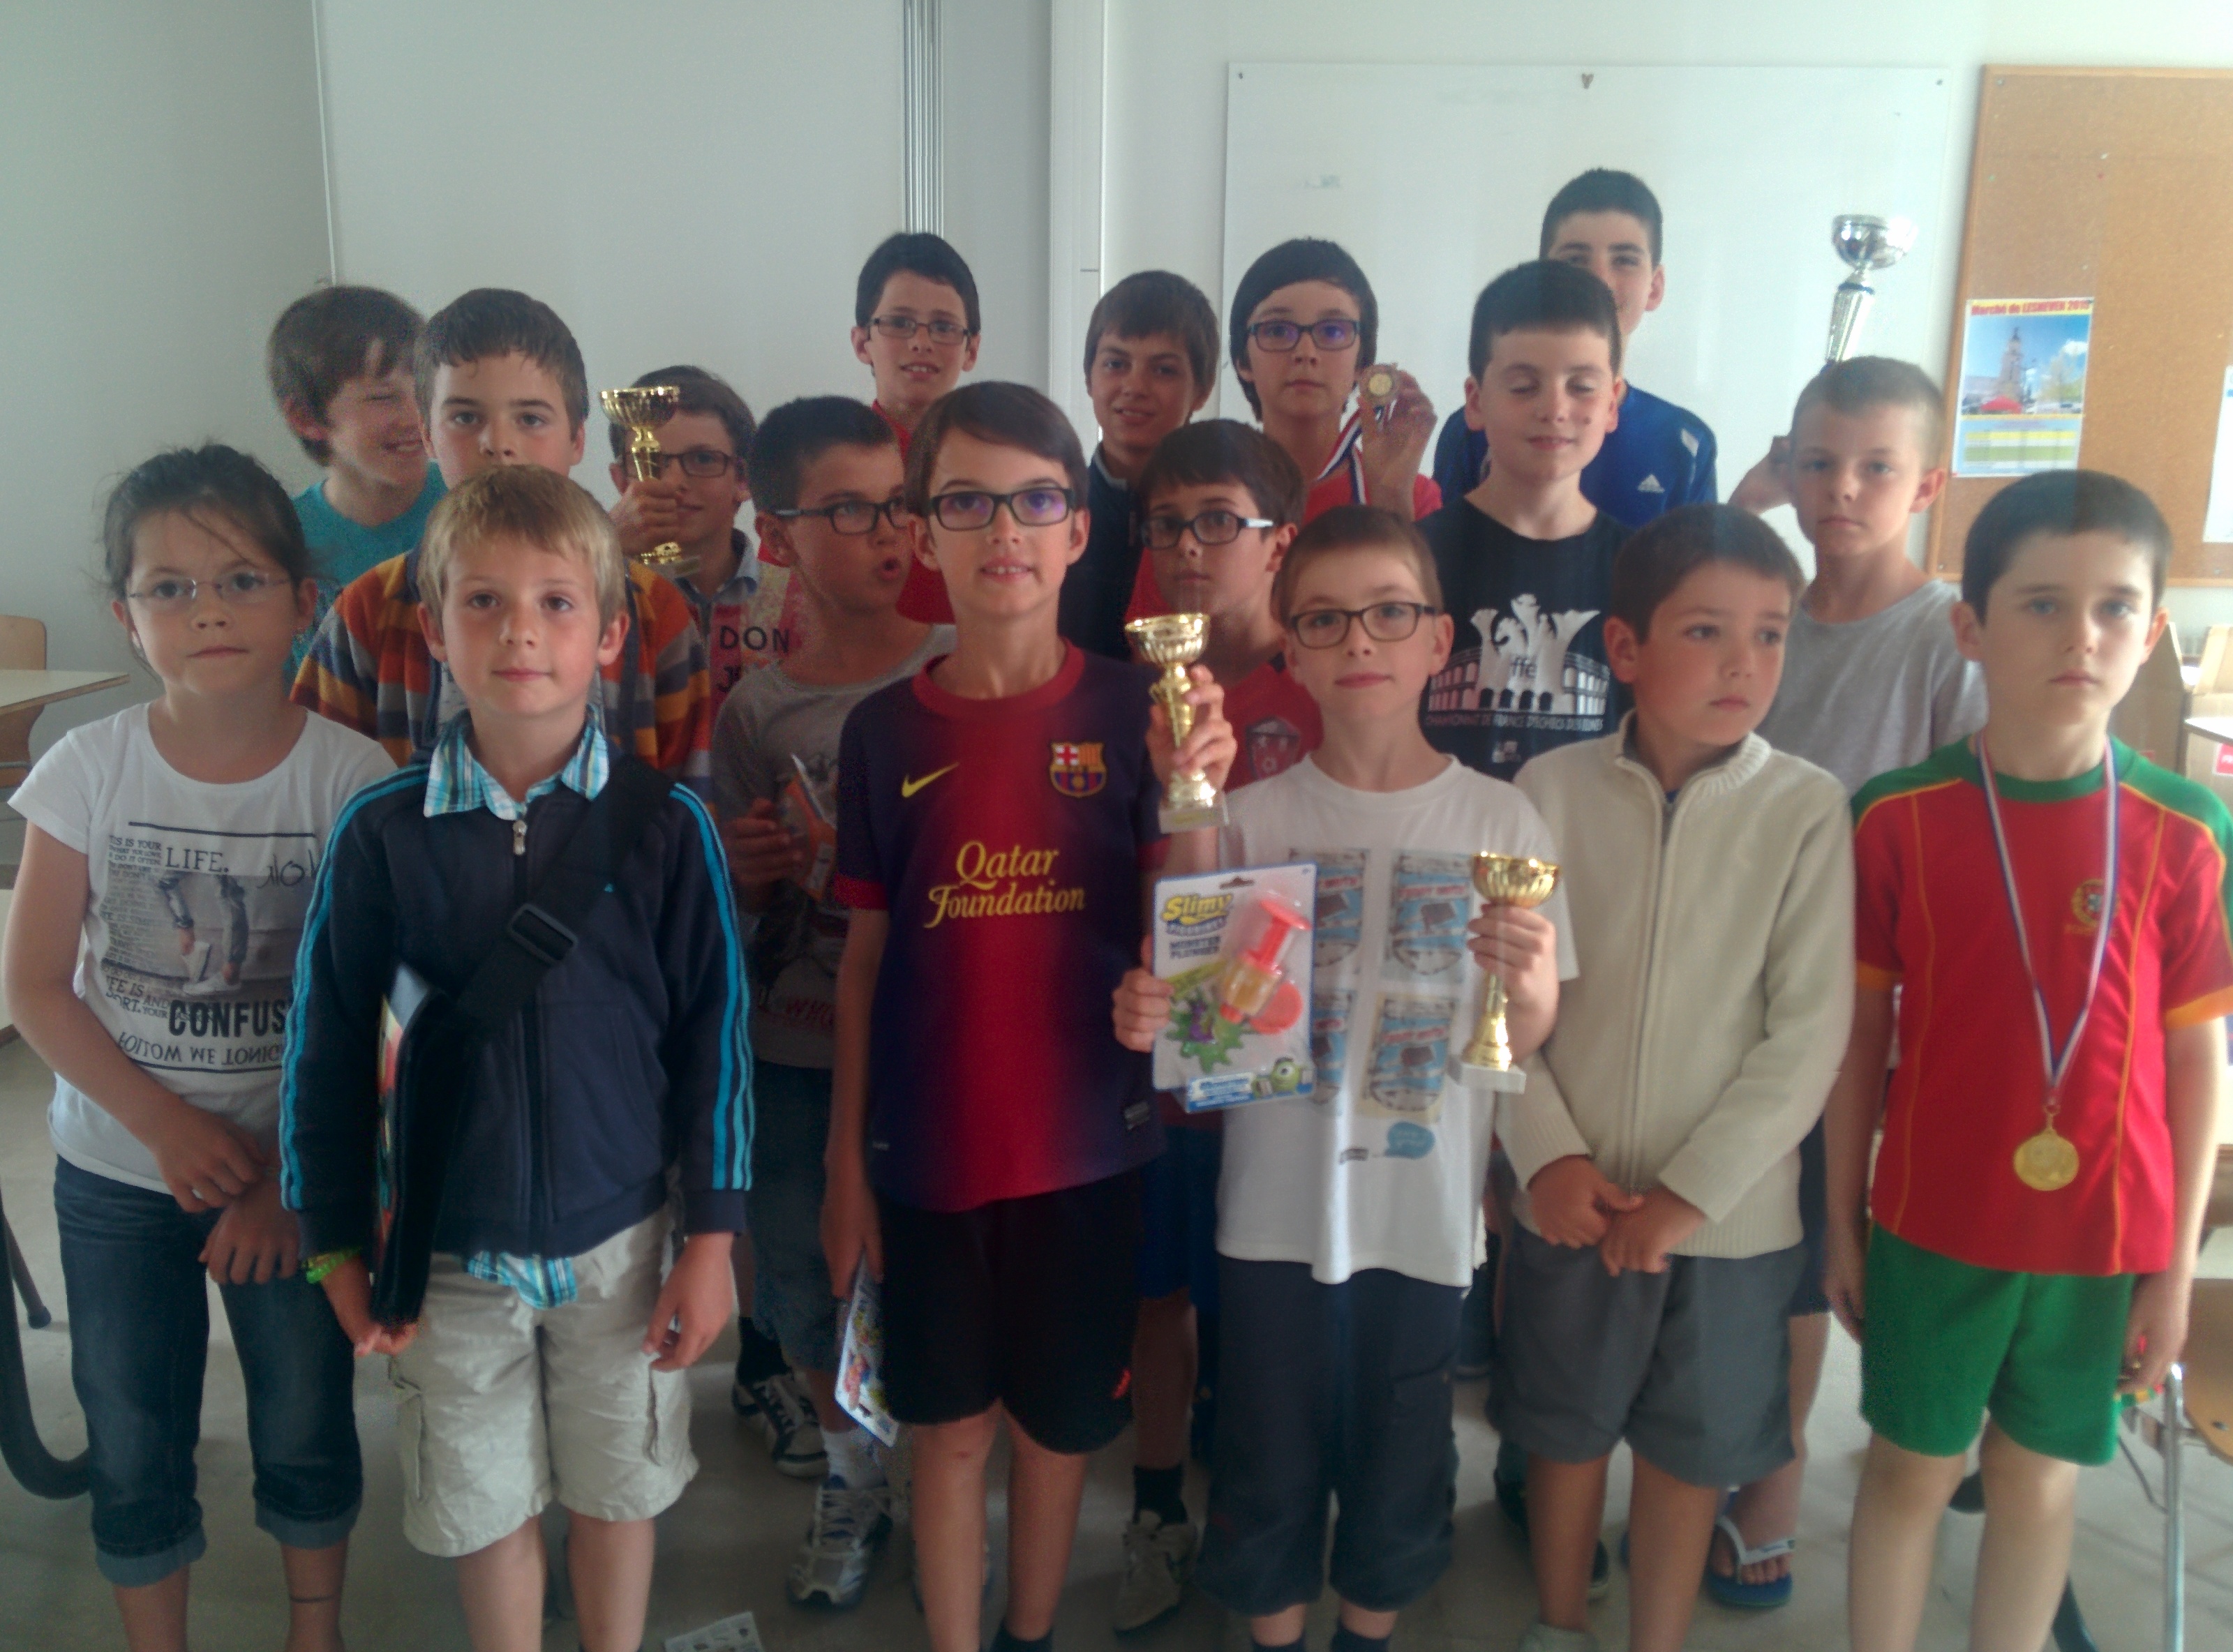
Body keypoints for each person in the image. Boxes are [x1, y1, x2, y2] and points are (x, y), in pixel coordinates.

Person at [280, 465, 749, 1652]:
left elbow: (717, 1043)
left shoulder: (668, 827)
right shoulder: (381, 834)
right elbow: (325, 1050)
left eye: (555, 602)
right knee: (485, 1507)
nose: (520, 631)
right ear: (435, 632)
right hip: (444, 1251)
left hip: (623, 1241)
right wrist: (334, 1240)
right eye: (483, 602)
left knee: (618, 1490)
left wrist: (712, 1240)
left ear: (609, 636)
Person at [1114, 504, 1574, 1652]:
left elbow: (1525, 1034)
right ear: (1293, 647)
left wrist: (1533, 979)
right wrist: (1155, 1001)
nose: (1359, 638)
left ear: (1440, 639)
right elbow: (1195, 999)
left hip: (1421, 1219)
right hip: (1272, 1214)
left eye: (1390, 613)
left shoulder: (1503, 819)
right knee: (1263, 1458)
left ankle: (1366, 1635)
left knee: (1401, 1461)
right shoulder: (1249, 817)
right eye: (1326, 618)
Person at [821, 382, 1232, 1652]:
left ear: (1078, 531)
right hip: (928, 1157)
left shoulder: (1134, 709)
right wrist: (844, 1165)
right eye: (968, 501)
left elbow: (1193, 933)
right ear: (923, 532)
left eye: (1036, 500)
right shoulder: (882, 732)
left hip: (1089, 1151)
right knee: (947, 1431)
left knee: (1058, 1432)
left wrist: (1196, 793)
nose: (1004, 528)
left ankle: (1031, 1632)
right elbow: (864, 960)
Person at [1827, 470, 2233, 1652]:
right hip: (1933, 1221)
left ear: (2152, 632)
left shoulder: (2187, 831)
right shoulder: (1897, 816)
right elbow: (1859, 1040)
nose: (2081, 636)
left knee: (2037, 1477)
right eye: (2043, 604)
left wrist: (2175, 1268)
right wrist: (1844, 1220)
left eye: (2115, 607)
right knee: (1910, 1466)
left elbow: (2198, 1063)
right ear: (1971, 627)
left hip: (2105, 1235)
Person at [3, 444, 394, 1652]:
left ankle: (314, 1632)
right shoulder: (85, 768)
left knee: (304, 1414)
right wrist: (165, 1127)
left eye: (239, 579)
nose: (207, 609)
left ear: (303, 599)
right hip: (117, 1171)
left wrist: (287, 1178)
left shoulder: (353, 777)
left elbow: (378, 1012)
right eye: (168, 588)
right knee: (130, 1422)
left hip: (291, 1175)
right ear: (125, 618)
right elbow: (34, 987)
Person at [1501, 504, 1853, 1652]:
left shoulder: (1807, 809)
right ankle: (1560, 1621)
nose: (1744, 663)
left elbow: (1807, 1035)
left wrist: (1692, 1195)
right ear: (1625, 647)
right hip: (1573, 1198)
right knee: (1563, 1434)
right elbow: (1497, 1006)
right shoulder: (1543, 792)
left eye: (1771, 634)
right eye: (1707, 631)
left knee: (1690, 1451)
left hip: (1731, 1223)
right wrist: (1545, 1154)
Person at [1711, 355, 1985, 1608]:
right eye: (1817, 462)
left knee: (1805, 1257)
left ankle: (1771, 1483)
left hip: (1857, 1001)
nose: (1843, 489)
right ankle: (1711, 1446)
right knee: (1739, 1233)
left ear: (1926, 485)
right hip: (1733, 974)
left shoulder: (1945, 635)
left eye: (1878, 467)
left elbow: (1969, 825)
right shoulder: (1764, 607)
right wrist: (1743, 508)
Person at [711, 395, 953, 1607]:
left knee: (939, 1276)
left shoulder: (957, 665)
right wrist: (749, 872)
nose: (887, 532)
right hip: (799, 1041)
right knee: (808, 1281)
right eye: (849, 511)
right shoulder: (757, 710)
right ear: (778, 533)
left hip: (939, 1044)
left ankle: (944, 1481)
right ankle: (852, 1477)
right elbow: (736, 908)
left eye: (898, 505)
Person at [1112, 419, 1317, 1632]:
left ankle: (1257, 1518)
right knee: (1158, 1296)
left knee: (1260, 1305)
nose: (1190, 548)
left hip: (1279, 1061)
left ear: (1279, 542)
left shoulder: (1323, 686)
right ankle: (1153, 1509)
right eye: (1169, 524)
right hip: (1157, 1052)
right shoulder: (1125, 689)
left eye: (1220, 522)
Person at [290, 287, 712, 790]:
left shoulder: (653, 612)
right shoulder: (365, 614)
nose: (498, 444)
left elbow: (691, 807)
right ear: (427, 435)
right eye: (466, 418)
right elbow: (315, 803)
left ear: (577, 438)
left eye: (530, 419)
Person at [1420, 260, 1633, 785]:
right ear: (1475, 402)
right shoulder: (1416, 559)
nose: (1554, 409)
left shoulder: (1642, 572)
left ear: (1612, 404)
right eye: (1523, 386)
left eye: (1581, 386)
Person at [1430, 170, 1716, 526]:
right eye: (1575, 260)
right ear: (1542, 277)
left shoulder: (1685, 444)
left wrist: (1748, 506)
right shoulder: (1476, 429)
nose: (1599, 279)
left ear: (1655, 287)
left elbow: (1701, 560)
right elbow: (1439, 550)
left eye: (1624, 260)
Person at [267, 284, 447, 676]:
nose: (416, 415)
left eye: (424, 389)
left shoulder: (472, 504)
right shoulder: (279, 541)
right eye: (383, 397)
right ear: (306, 418)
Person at [1063, 271, 1218, 659]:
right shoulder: (1053, 511)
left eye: (1163, 370)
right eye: (1116, 364)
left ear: (1201, 390)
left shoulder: (1224, 524)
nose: (1134, 387)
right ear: (1089, 378)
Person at [607, 363, 789, 695]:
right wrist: (605, 548)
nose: (674, 482)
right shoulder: (594, 597)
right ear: (621, 481)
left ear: (744, 480)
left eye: (703, 459)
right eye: (651, 462)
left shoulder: (800, 600)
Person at [850, 230, 985, 627]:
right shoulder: (830, 464)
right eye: (899, 323)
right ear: (862, 343)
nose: (921, 342)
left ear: (972, 349)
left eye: (943, 327)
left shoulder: (995, 467)